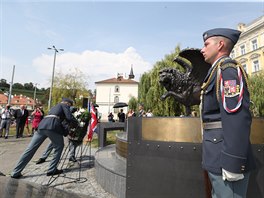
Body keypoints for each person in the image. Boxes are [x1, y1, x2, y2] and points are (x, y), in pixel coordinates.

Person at [200, 28, 256, 198]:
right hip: (216, 153)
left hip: (225, 157)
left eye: (206, 44)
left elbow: (236, 118)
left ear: (220, 45)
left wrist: (233, 161)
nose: (202, 49)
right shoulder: (216, 71)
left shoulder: (228, 70)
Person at [11, 97, 74, 178]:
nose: (69, 107)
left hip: (42, 126)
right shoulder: (64, 105)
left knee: (30, 149)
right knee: (59, 146)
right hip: (52, 126)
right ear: (67, 103)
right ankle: (52, 169)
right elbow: (69, 118)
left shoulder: (55, 106)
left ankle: (15, 172)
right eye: (70, 105)